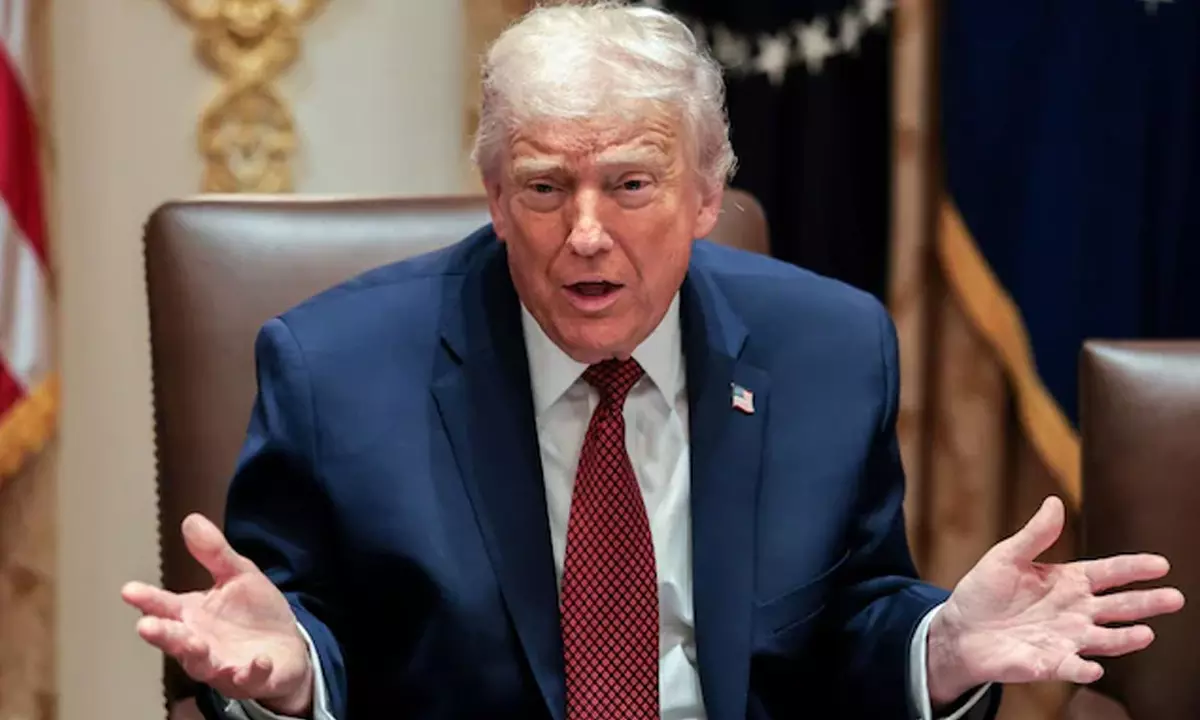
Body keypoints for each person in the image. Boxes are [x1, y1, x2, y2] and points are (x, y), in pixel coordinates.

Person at [121, 3, 1185, 719]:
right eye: (545, 188)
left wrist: (939, 646)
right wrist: (292, 676)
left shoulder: (830, 348)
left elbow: (847, 624)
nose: (586, 234)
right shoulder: (335, 370)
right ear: (496, 199)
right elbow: (299, 627)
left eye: (631, 185)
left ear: (706, 195)